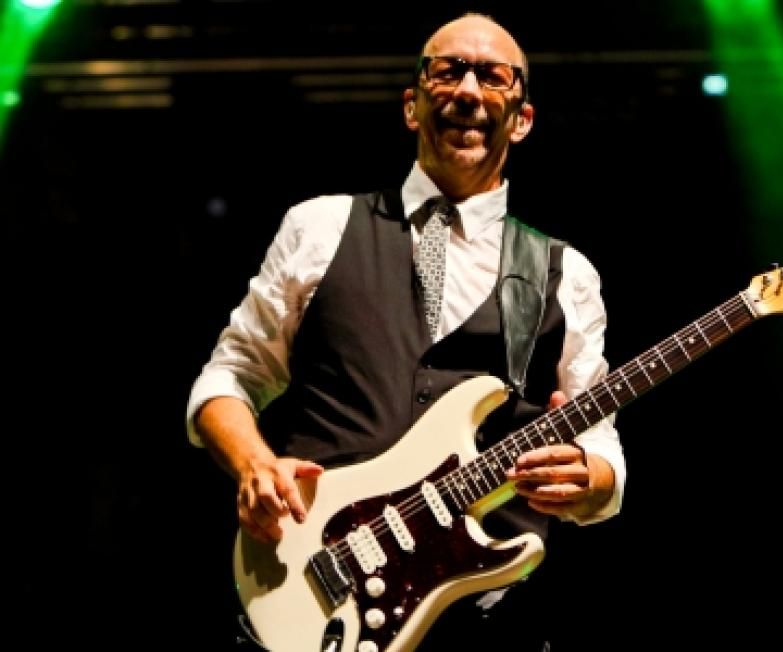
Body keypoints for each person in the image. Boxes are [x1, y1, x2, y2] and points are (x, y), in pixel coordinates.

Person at [186, 12, 626, 651]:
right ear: (412, 106)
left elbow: (599, 441)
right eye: (448, 71)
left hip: (487, 620)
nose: (468, 90)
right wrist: (254, 464)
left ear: (522, 118)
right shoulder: (320, 227)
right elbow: (229, 376)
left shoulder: (565, 274)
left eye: (493, 77)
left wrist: (592, 480)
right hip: (317, 589)